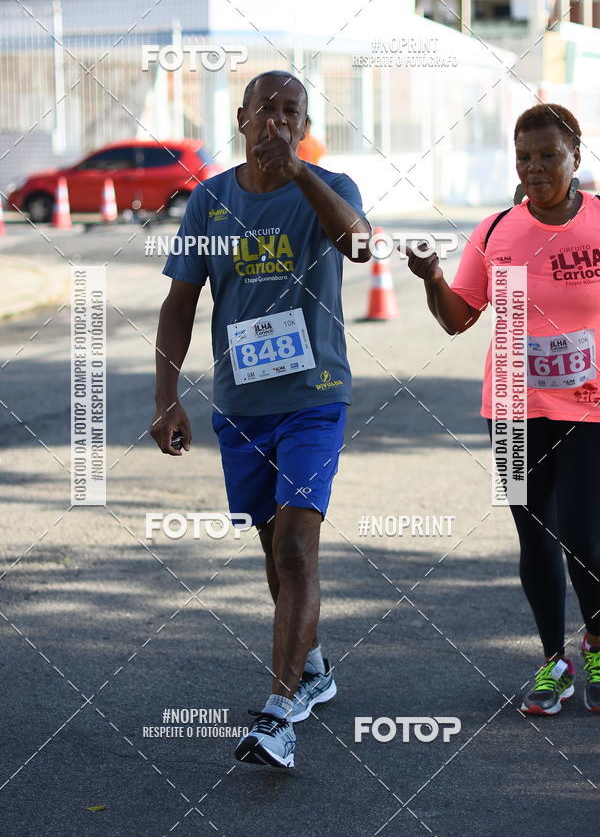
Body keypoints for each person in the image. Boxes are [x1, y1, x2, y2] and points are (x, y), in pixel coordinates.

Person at [150, 70, 371, 766]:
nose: (276, 119)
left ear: (305, 126)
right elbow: (180, 303)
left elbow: (361, 246)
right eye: (265, 108)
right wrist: (166, 396)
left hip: (315, 397)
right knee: (276, 550)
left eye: (291, 111)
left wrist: (300, 174)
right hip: (243, 406)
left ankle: (280, 713)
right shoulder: (210, 201)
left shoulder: (331, 186)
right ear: (241, 119)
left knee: (298, 548)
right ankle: (312, 667)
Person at [405, 103, 600, 716]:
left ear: (575, 156)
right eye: (524, 157)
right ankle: (553, 663)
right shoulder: (496, 233)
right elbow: (458, 319)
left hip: (590, 406)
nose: (535, 167)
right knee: (533, 534)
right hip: (514, 406)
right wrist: (433, 278)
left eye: (548, 155)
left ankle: (597, 643)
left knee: (584, 535)